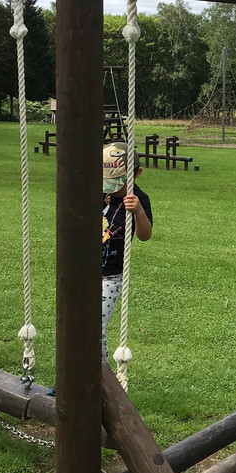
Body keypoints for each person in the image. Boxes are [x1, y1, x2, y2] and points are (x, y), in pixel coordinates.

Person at [101, 141, 153, 363]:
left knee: (94, 327)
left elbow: (145, 235)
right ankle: (89, 376)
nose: (112, 187)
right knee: (77, 322)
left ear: (137, 173)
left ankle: (96, 380)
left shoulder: (139, 199)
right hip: (83, 271)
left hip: (111, 276)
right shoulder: (99, 191)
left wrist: (139, 211)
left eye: (119, 182)